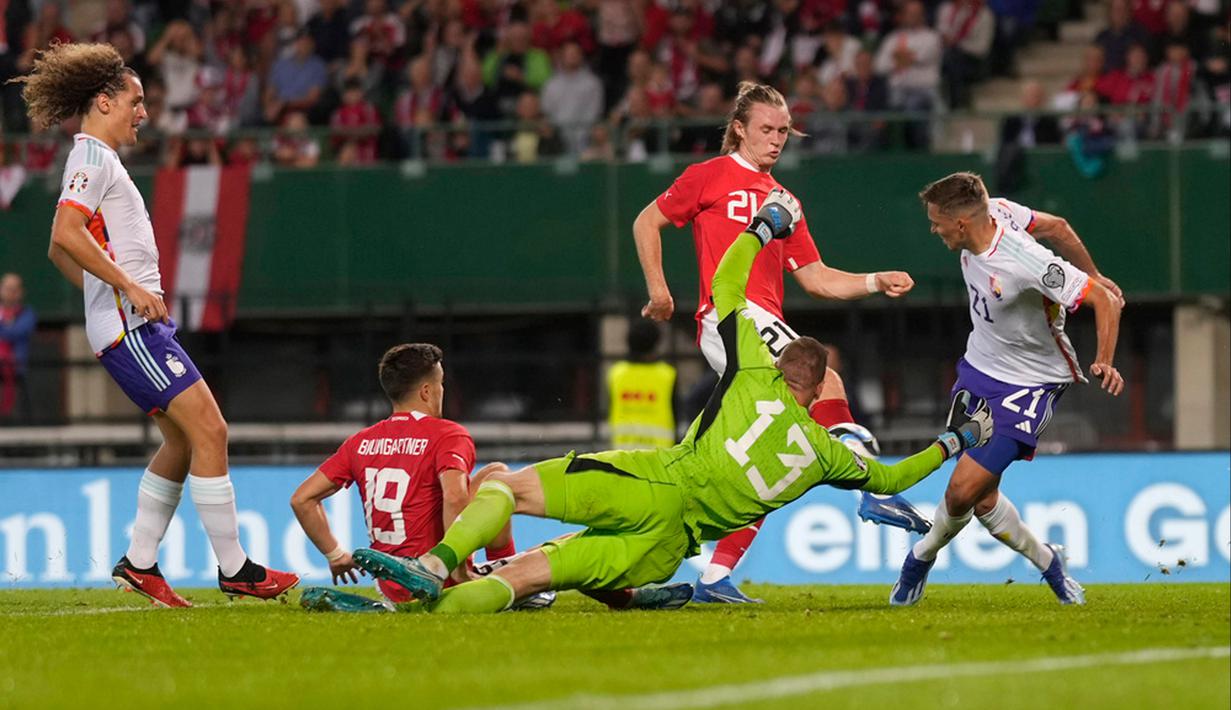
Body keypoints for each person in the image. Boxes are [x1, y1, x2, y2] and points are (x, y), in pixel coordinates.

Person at [348, 190, 993, 614]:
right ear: (819, 389)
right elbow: (893, 477)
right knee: (521, 578)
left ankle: (431, 568)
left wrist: (763, 227)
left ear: (780, 366)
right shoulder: (827, 453)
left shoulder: (752, 373)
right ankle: (446, 605)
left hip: (651, 481)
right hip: (670, 544)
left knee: (503, 487)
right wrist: (957, 440)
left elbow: (726, 284)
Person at [10, 42, 298, 607]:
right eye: (135, 101)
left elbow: (56, 249)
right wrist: (128, 290)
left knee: (183, 441)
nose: (143, 113)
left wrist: (106, 295)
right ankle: (236, 568)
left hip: (127, 325)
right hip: (132, 330)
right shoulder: (93, 159)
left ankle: (140, 562)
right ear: (104, 101)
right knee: (211, 429)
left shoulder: (96, 159)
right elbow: (66, 235)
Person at [631, 80, 926, 604]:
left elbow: (817, 278)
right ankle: (871, 488)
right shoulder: (708, 176)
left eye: (784, 131)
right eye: (766, 129)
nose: (775, 139)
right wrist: (659, 288)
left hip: (758, 321)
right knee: (826, 378)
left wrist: (875, 280)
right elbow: (646, 221)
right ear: (739, 129)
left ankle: (715, 577)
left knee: (774, 456)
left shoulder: (786, 201)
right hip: (732, 316)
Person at [892, 172, 1125, 607]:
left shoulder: (1024, 260)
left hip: (1030, 383)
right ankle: (1049, 562)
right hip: (979, 370)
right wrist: (1093, 271)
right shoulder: (997, 209)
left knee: (961, 491)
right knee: (982, 501)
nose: (934, 230)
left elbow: (1105, 301)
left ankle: (919, 558)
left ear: (961, 223)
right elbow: (1058, 226)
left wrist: (1105, 358)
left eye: (937, 223)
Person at [290, 343, 540, 610]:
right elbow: (454, 497)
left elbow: (302, 499)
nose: (442, 390)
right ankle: (507, 580)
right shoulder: (447, 435)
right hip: (436, 577)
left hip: (391, 582)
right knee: (498, 480)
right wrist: (457, 570)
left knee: (492, 471)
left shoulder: (359, 442)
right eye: (441, 383)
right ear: (426, 391)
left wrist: (336, 555)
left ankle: (394, 604)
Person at [607, 320, 676, 450]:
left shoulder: (616, 374)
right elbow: (676, 413)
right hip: (659, 453)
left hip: (623, 452)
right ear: (656, 343)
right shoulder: (667, 374)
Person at [0, 273, 35, 420]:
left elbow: (17, 332)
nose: (10, 293)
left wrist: (3, 327)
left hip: (16, 368)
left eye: (14, 289)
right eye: (7, 288)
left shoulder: (26, 314)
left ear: (20, 292)